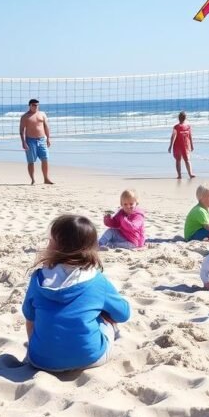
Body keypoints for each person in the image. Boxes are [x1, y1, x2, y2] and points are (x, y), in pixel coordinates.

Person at [22, 214, 130, 372]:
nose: (47, 244)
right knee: (105, 318)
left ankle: (43, 349)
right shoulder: (97, 280)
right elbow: (123, 314)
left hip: (40, 361)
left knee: (38, 315)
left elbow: (29, 316)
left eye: (50, 241)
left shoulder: (38, 278)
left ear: (58, 248)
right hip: (91, 358)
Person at [20, 98, 53, 185]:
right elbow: (21, 130)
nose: (36, 107)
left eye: (37, 105)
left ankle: (46, 179)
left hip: (42, 139)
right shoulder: (25, 116)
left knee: (45, 159)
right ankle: (33, 180)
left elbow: (46, 127)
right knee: (31, 161)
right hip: (30, 140)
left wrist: (48, 138)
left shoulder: (42, 114)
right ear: (30, 106)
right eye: (34, 105)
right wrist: (23, 142)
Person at [167, 111, 195, 179]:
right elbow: (173, 136)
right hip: (178, 146)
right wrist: (170, 146)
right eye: (182, 117)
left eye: (183, 117)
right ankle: (180, 175)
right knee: (180, 160)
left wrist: (191, 145)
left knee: (186, 160)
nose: (182, 118)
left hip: (185, 146)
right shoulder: (176, 127)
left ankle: (190, 174)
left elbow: (190, 136)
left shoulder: (188, 126)